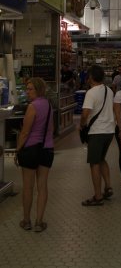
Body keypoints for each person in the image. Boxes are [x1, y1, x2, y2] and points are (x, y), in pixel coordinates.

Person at [15, 77, 54, 232]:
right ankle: (39, 221)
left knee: (28, 187)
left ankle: (26, 220)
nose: (27, 91)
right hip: (47, 150)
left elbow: (25, 132)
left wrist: (18, 149)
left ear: (38, 90)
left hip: (31, 149)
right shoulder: (49, 105)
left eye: (30, 89)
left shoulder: (33, 107)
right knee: (42, 186)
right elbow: (50, 129)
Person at [80, 65, 115, 206]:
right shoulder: (109, 91)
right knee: (101, 159)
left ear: (91, 78)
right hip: (109, 130)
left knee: (94, 163)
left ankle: (98, 195)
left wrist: (81, 125)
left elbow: (85, 114)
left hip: (96, 131)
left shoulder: (91, 93)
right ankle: (108, 186)